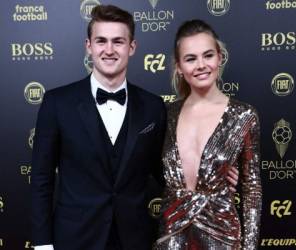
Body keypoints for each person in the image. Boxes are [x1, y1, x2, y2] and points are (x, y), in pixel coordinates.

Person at [31, 5, 167, 250]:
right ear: (89, 46)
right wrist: (42, 244)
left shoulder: (153, 106)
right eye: (101, 41)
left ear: (132, 47)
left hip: (135, 239)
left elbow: (165, 172)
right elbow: (41, 178)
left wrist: (213, 178)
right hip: (74, 238)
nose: (109, 50)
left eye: (118, 41)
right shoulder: (57, 103)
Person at [154, 20, 262, 250]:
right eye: (191, 58)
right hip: (172, 234)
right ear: (179, 67)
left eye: (208, 55)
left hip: (222, 234)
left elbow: (252, 190)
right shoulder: (166, 115)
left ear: (220, 58)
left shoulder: (243, 116)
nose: (201, 65)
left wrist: (250, 247)